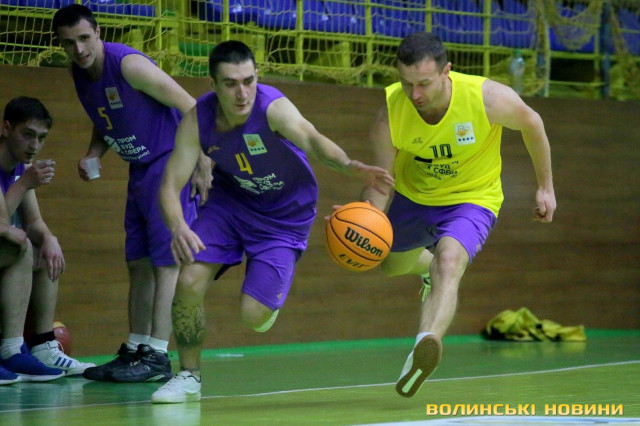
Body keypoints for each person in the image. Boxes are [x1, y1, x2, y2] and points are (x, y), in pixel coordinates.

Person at [150, 40, 394, 403]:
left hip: (284, 216)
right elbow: (170, 184)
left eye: (249, 81)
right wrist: (178, 227)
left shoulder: (273, 108)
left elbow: (311, 138)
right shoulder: (197, 121)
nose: (242, 92)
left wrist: (347, 164)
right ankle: (189, 375)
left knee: (253, 316)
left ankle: (267, 291)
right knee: (187, 280)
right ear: (213, 84)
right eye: (231, 83)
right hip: (230, 205)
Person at [359, 32, 556, 398]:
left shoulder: (487, 99)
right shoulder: (389, 115)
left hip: (472, 198)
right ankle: (426, 269)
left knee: (450, 260)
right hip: (414, 197)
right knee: (389, 264)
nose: (415, 94)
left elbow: (533, 123)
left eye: (424, 83)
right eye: (406, 83)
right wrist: (363, 220)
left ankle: (425, 343)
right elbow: (382, 181)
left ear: (446, 71)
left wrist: (545, 186)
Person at [52, 5, 212, 383]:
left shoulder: (129, 66)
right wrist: (95, 152)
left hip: (170, 163)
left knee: (166, 263)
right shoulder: (78, 71)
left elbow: (192, 106)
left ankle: (157, 354)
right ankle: (137, 347)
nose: (79, 49)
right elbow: (104, 116)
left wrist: (204, 162)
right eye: (69, 43)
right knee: (138, 262)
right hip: (140, 168)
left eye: (85, 38)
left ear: (99, 33)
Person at [0, 96, 94, 383]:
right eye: (27, 135)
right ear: (6, 128)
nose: (35, 145)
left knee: (42, 248)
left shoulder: (19, 167)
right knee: (21, 246)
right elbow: (1, 223)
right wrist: (24, 183)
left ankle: (43, 346)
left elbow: (34, 221)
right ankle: (11, 349)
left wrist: (51, 238)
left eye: (41, 138)